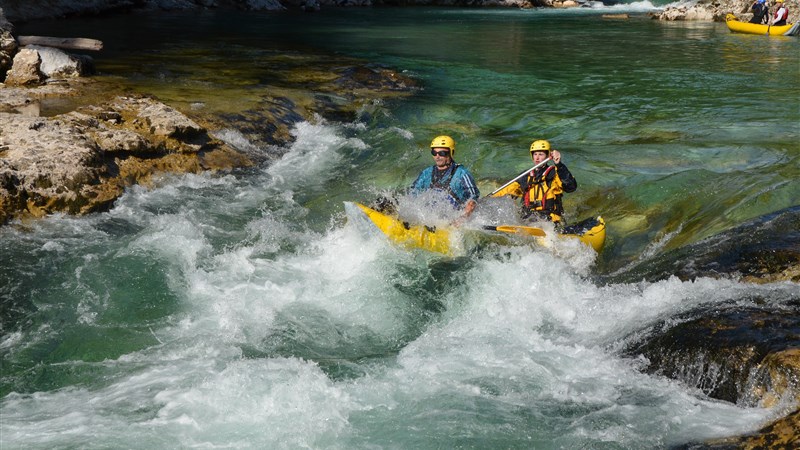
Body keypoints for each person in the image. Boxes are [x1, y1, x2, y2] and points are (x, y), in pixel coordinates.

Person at [491, 139, 577, 225]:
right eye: (535, 154)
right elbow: (506, 190)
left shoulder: (554, 173)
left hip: (551, 219)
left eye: (541, 154)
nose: (537, 158)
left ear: (547, 156)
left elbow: (571, 187)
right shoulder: (525, 176)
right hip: (529, 218)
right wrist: (487, 199)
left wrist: (559, 164)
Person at [409, 135, 480, 216]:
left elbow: (474, 197)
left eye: (442, 153)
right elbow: (413, 193)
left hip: (454, 215)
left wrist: (463, 218)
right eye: (434, 153)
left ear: (451, 153)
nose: (437, 156)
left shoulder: (462, 173)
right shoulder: (426, 173)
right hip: (431, 215)